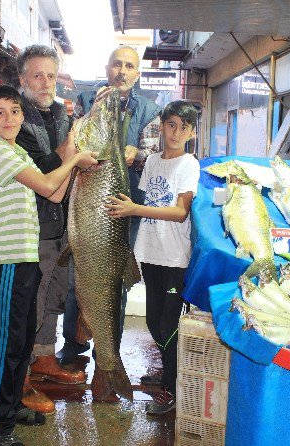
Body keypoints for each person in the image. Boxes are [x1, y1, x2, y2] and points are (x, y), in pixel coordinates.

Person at [0, 85, 97, 446]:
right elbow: (48, 184)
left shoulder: (15, 151)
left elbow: (55, 194)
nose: (9, 118)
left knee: (24, 337)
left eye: (15, 111)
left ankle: (10, 408)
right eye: (0, 113)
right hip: (9, 260)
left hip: (26, 259)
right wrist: (74, 161)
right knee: (8, 343)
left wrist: (73, 144)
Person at [58, 46, 162, 365]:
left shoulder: (150, 111)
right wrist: (92, 115)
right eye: (116, 64)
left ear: (137, 73)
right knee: (80, 277)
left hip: (124, 212)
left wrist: (139, 154)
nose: (122, 71)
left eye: (129, 66)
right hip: (88, 210)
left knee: (115, 283)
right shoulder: (87, 101)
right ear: (107, 68)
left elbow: (155, 158)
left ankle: (109, 351)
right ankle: (74, 347)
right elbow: (71, 143)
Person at [105, 101, 201, 415]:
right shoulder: (153, 162)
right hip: (150, 254)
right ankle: (168, 368)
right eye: (171, 124)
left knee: (168, 325)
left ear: (191, 132)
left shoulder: (189, 164)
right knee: (152, 321)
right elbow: (149, 199)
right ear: (161, 126)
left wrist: (134, 209)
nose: (175, 132)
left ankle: (171, 390)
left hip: (175, 260)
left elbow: (178, 211)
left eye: (183, 127)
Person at [14, 45, 86, 414]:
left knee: (55, 296)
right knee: (30, 304)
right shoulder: (14, 117)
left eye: (51, 76)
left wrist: (74, 152)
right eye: (37, 75)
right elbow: (44, 167)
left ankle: (44, 359)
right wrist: (71, 153)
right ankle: (20, 381)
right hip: (31, 226)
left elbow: (70, 157)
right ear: (23, 79)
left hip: (62, 225)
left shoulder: (61, 113)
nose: (45, 83)